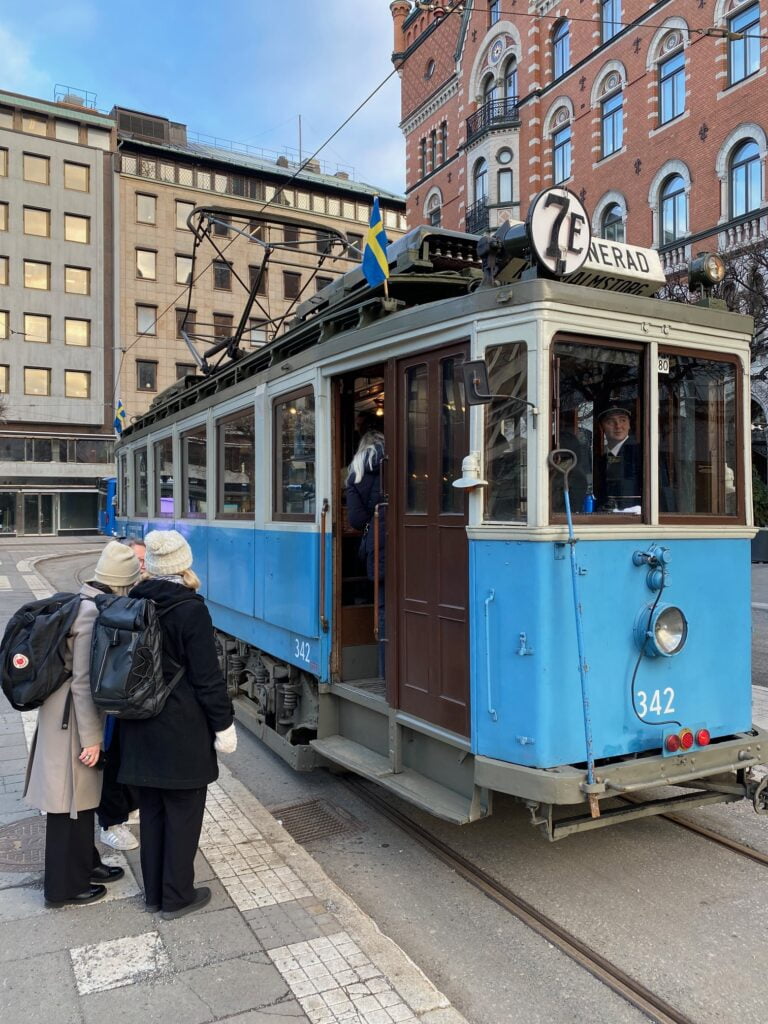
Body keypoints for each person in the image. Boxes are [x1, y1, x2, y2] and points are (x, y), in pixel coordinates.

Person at [118, 529, 236, 920]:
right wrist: (223, 725)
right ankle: (177, 896)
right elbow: (207, 678)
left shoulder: (131, 603)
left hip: (138, 725)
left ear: (150, 566)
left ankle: (154, 893)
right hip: (179, 729)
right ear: (183, 563)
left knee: (151, 813)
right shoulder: (190, 610)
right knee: (184, 813)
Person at [23, 541, 140, 908]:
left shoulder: (81, 598)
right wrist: (92, 740)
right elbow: (84, 683)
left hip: (63, 717)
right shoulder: (90, 614)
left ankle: (87, 865)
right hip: (71, 723)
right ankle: (63, 888)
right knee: (67, 806)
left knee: (81, 802)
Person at [96, 538, 146, 851]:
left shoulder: (133, 601)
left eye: (143, 561)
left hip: (125, 701)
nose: (141, 567)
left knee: (125, 757)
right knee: (111, 760)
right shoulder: (103, 608)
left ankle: (123, 809)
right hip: (108, 707)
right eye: (135, 561)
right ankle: (110, 824)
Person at [346, 430, 386, 677]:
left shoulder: (356, 473)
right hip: (407, 544)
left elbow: (357, 519)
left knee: (382, 607)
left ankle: (385, 673)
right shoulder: (397, 462)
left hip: (378, 545)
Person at [597, 406, 642, 511]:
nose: (618, 426)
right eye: (611, 422)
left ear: (629, 424)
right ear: (601, 427)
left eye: (623, 420)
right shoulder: (602, 459)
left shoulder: (641, 454)